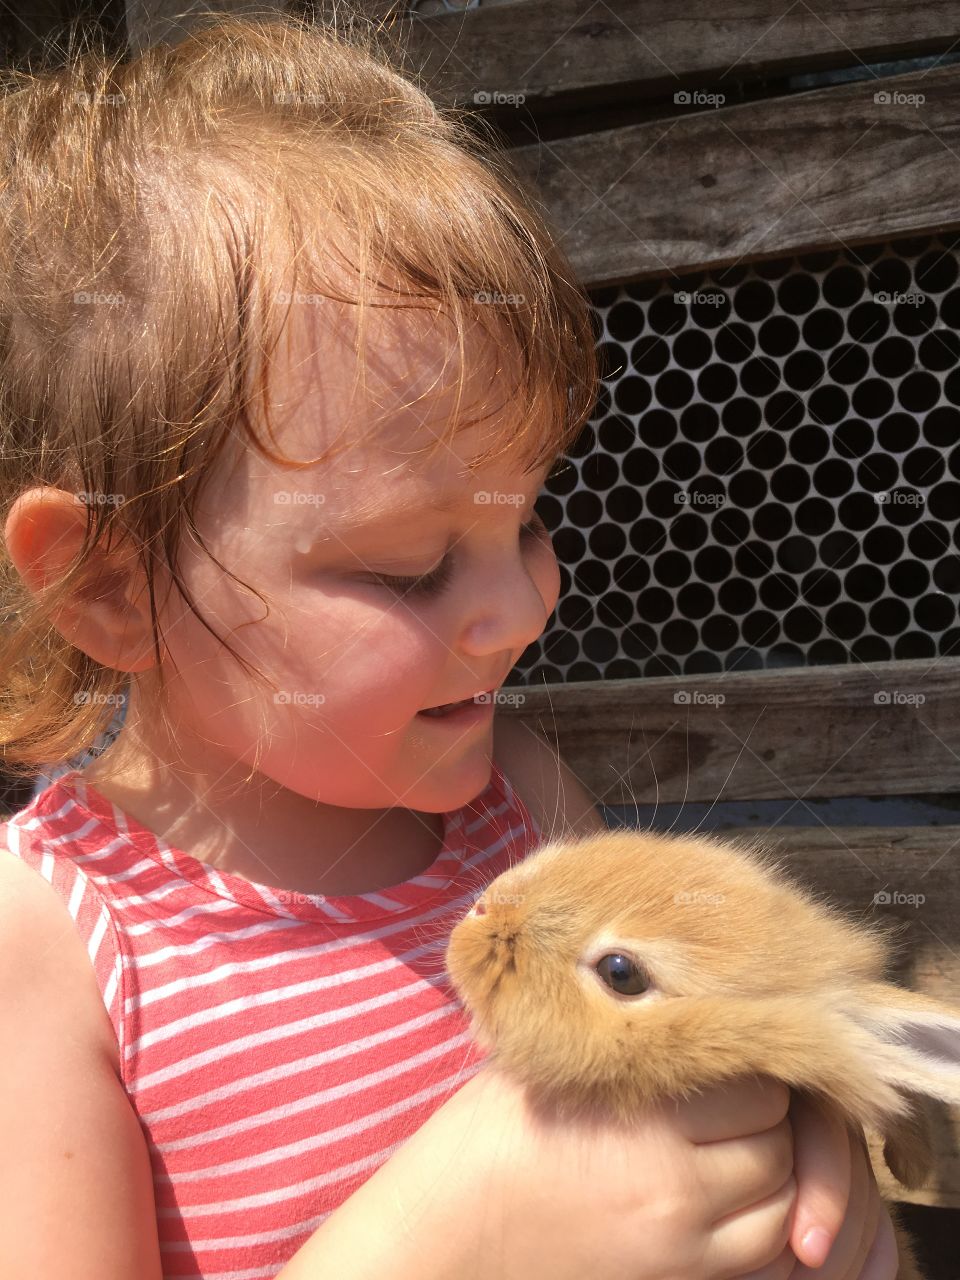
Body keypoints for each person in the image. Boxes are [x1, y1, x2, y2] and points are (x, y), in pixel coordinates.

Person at [0, 10, 898, 1280]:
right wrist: (455, 1232)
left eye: (526, 519)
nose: (525, 603)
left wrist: (798, 1143)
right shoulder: (50, 945)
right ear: (109, 586)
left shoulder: (522, 803)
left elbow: (702, 1063)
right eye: (409, 565)